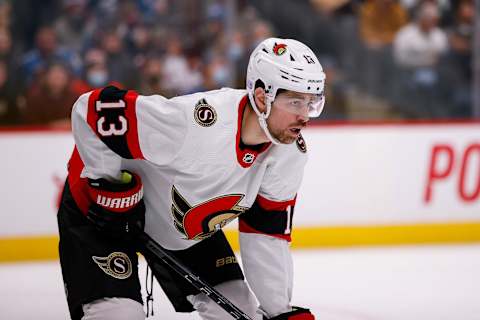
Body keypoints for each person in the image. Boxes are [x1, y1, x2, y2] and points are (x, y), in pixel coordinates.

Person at [57, 37, 326, 320]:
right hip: (101, 217)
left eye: (311, 102)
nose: (305, 116)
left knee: (239, 312)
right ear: (262, 97)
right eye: (295, 101)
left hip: (185, 226)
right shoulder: (196, 124)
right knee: (120, 315)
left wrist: (279, 313)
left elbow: (266, 233)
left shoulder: (288, 153)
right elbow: (92, 108)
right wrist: (109, 187)